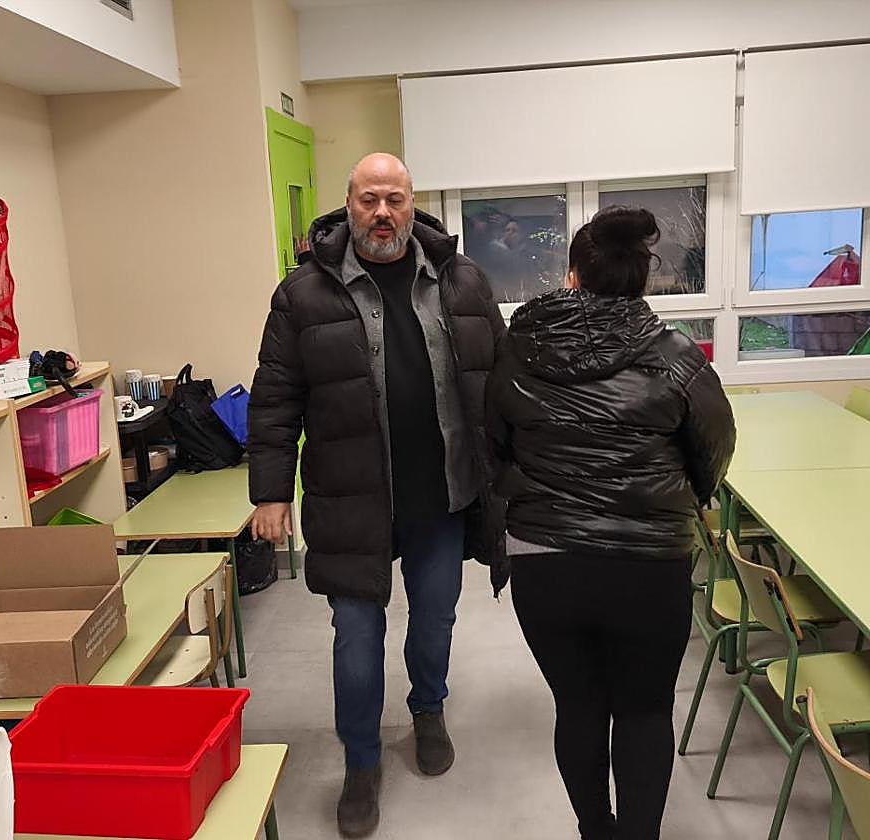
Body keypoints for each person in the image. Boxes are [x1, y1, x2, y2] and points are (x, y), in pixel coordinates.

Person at [247, 152, 507, 838]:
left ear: (412, 203)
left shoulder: (462, 280)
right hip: (351, 497)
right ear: (349, 203)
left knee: (435, 619)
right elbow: (275, 397)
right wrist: (270, 491)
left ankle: (428, 708)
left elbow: (501, 382)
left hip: (442, 495)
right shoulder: (302, 293)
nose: (382, 213)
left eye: (394, 199)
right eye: (369, 200)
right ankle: (361, 762)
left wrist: (516, 474)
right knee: (356, 639)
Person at [486, 206, 736, 840]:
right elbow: (715, 448)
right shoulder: (675, 353)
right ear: (641, 280)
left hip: (543, 562)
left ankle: (595, 830)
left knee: (578, 706)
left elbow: (494, 441)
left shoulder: (520, 344)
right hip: (649, 566)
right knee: (646, 709)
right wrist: (685, 498)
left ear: (572, 273)